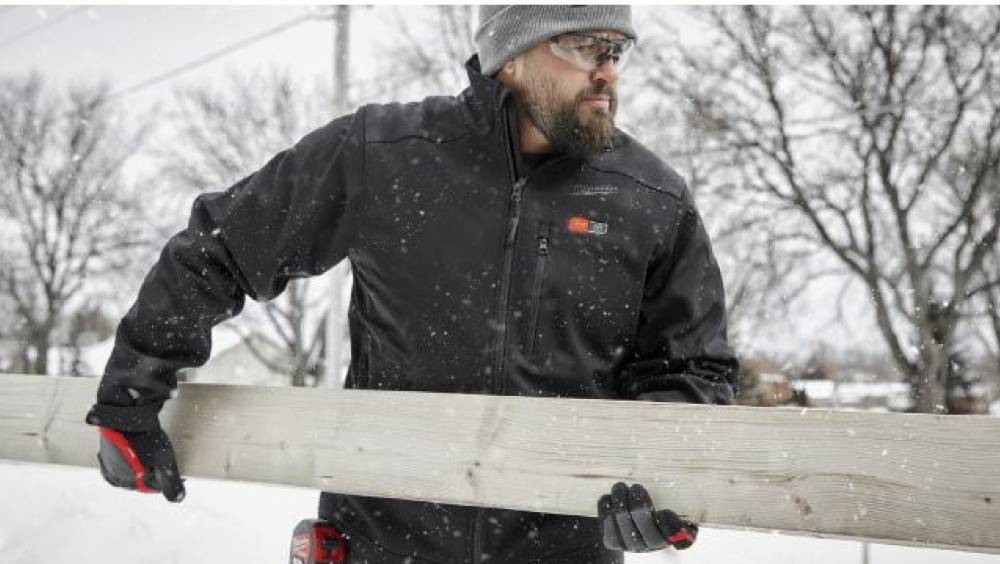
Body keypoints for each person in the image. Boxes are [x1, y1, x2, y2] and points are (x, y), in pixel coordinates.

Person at [84, 5, 739, 563]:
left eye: (617, 49)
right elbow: (221, 248)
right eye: (583, 45)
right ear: (509, 56)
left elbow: (693, 371)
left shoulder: (650, 198)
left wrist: (667, 483)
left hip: (562, 550)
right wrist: (130, 397)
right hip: (381, 543)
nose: (607, 70)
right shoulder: (386, 155)